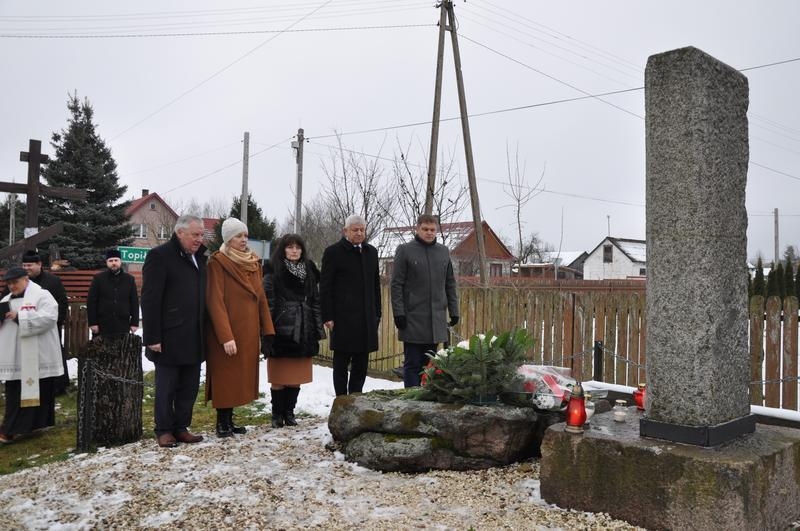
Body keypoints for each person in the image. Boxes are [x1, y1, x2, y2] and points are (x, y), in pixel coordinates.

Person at [141, 214, 207, 448]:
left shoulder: (200, 258)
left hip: (195, 334)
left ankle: (181, 427)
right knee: (167, 387)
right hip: (169, 335)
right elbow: (149, 299)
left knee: (189, 386)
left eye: (201, 234)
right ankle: (164, 429)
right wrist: (152, 337)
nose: (199, 239)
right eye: (195, 235)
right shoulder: (160, 256)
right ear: (180, 233)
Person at [205, 218, 274, 438]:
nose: (244, 240)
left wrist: (267, 329)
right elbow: (215, 300)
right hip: (228, 330)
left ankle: (230, 420)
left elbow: (260, 297)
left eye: (245, 235)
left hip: (248, 330)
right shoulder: (218, 262)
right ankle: (221, 422)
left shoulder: (253, 262)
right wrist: (225, 336)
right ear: (228, 238)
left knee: (239, 376)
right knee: (226, 375)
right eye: (238, 236)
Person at [263, 234, 325, 427]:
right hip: (281, 329)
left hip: (304, 328)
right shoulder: (272, 271)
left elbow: (315, 301)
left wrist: (317, 328)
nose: (294, 251)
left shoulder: (310, 271)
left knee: (296, 377)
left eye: (297, 247)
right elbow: (268, 303)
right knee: (279, 377)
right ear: (283, 249)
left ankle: (289, 412)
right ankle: (276, 414)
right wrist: (267, 331)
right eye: (290, 247)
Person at [391, 214, 459, 387]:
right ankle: (412, 401)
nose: (429, 233)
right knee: (412, 363)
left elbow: (449, 283)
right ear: (418, 228)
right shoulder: (405, 250)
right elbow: (396, 284)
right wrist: (399, 313)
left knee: (430, 365)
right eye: (425, 229)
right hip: (412, 318)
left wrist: (454, 311)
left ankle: (425, 399)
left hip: (435, 319)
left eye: (432, 230)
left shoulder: (443, 252)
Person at [0, 267, 65, 443]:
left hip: (39, 355)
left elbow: (50, 317)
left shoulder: (42, 295)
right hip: (15, 357)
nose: (12, 286)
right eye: (9, 283)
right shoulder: (5, 300)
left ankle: (28, 426)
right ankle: (13, 427)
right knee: (14, 393)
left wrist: (19, 317)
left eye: (15, 282)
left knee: (42, 391)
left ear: (26, 279)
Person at [319, 214, 381, 396]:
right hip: (342, 318)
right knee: (341, 363)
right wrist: (327, 315)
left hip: (366, 318)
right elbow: (325, 286)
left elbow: (375, 285)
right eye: (355, 230)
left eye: (362, 230)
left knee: (361, 363)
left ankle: (356, 399)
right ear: (345, 231)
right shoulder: (333, 252)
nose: (359, 233)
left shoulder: (371, 252)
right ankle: (341, 401)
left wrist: (377, 313)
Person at [22, 250, 69, 395]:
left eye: (29, 265)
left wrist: (54, 323)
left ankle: (58, 386)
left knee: (54, 354)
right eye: (24, 265)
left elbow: (62, 303)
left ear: (39, 264)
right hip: (26, 328)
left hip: (50, 328)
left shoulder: (53, 281)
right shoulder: (20, 281)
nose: (26, 268)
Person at [87, 249, 139, 338]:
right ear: (107, 262)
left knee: (121, 351)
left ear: (120, 261)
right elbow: (91, 302)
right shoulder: (98, 279)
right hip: (102, 325)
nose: (113, 263)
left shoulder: (129, 279)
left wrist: (134, 323)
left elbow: (134, 302)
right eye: (110, 261)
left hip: (122, 324)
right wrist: (93, 323)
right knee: (100, 351)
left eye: (116, 260)